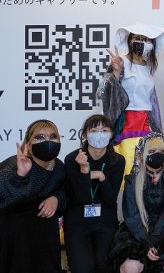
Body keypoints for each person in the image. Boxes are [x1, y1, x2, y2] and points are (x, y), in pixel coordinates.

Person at [111, 133, 164, 273]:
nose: (157, 155)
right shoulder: (132, 181)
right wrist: (146, 242)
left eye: (161, 151)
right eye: (152, 151)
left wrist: (155, 239)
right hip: (138, 234)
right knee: (130, 268)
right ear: (143, 155)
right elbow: (132, 215)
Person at [98, 22, 164, 176]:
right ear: (130, 41)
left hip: (147, 121)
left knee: (148, 162)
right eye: (138, 38)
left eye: (147, 39)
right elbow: (105, 94)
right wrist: (116, 72)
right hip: (127, 121)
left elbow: (152, 101)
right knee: (128, 161)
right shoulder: (122, 62)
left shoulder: (149, 67)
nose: (143, 42)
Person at [0, 119, 66, 273]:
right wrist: (20, 175)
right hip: (14, 234)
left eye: (53, 136)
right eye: (39, 137)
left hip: (45, 236)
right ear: (28, 145)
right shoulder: (14, 163)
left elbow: (68, 192)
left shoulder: (60, 167)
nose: (47, 141)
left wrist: (56, 199)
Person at [64, 115, 125, 273]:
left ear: (111, 134)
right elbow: (81, 197)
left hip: (105, 219)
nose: (99, 134)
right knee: (82, 268)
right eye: (94, 130)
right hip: (77, 220)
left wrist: (101, 176)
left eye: (104, 130)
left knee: (106, 265)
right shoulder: (72, 159)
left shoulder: (117, 160)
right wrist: (84, 171)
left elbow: (110, 199)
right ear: (85, 134)